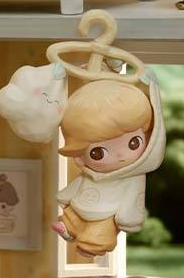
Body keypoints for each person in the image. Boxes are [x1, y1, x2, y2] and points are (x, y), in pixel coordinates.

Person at [54, 75, 165, 258]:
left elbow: (133, 196)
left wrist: (128, 220)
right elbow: (79, 183)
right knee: (71, 218)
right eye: (99, 152)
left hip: (107, 215)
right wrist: (65, 196)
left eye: (133, 143)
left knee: (99, 234)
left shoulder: (133, 176)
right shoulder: (89, 173)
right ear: (80, 157)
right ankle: (67, 229)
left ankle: (90, 246)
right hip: (81, 204)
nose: (121, 155)